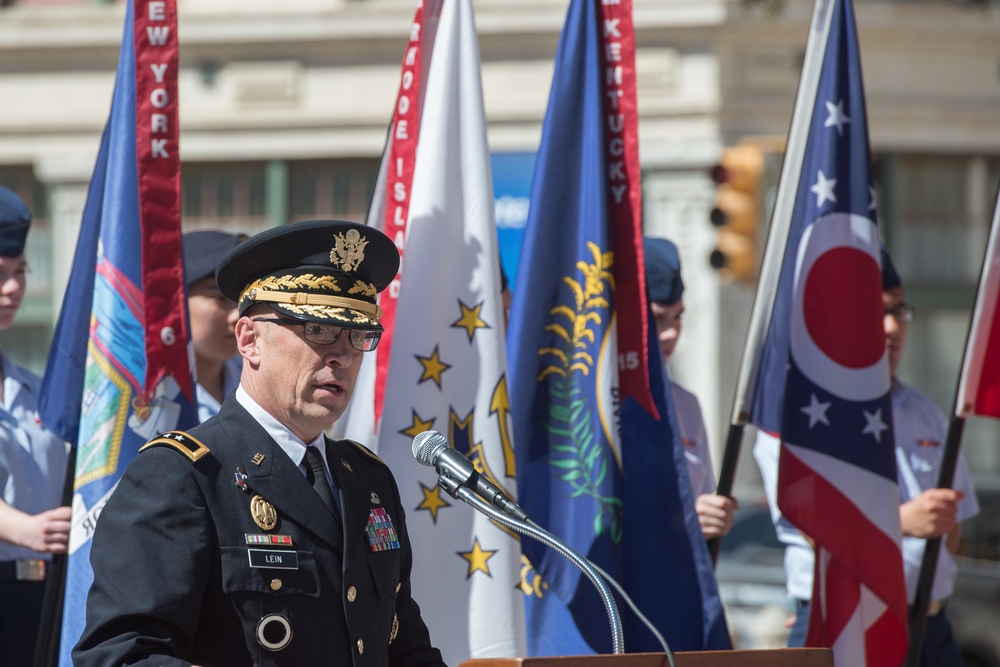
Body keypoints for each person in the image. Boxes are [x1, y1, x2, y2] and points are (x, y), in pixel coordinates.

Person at [75, 220, 446, 667]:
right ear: (249, 340)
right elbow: (122, 656)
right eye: (318, 330)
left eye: (357, 336)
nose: (343, 355)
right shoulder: (182, 474)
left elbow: (404, 650)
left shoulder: (367, 479)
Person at [754, 247, 979, 665]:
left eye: (899, 311)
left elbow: (952, 528)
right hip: (844, 623)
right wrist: (902, 524)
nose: (892, 327)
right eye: (875, 311)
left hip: (928, 624)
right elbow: (812, 525)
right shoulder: (799, 416)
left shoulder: (925, 413)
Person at [0, 186, 71, 667]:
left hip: (45, 595)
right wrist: (23, 528)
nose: (13, 288)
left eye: (20, 271)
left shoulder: (38, 389)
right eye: (0, 274)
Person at [644, 236, 737, 539]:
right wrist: (677, 520)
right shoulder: (585, 404)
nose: (672, 333)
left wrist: (712, 518)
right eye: (657, 319)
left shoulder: (685, 406)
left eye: (678, 317)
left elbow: (701, 498)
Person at [183, 229, 246, 422]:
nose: (237, 315)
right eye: (219, 298)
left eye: (242, 299)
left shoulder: (256, 381)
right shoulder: (150, 396)